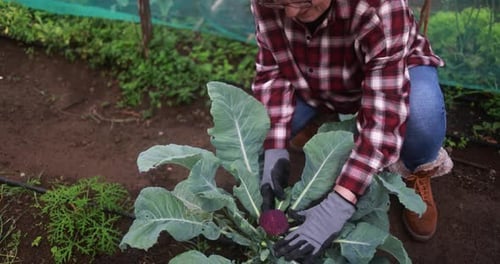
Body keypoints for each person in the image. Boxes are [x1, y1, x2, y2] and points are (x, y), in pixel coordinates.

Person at [250, 0, 454, 262]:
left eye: (300, 1)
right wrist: (274, 146)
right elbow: (273, 71)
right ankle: (319, 125)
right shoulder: (270, 3)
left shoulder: (381, 6)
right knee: (261, 130)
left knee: (422, 116)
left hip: (391, 70)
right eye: (279, 4)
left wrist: (340, 202)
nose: (289, 13)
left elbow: (384, 112)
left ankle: (416, 169)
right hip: (314, 74)